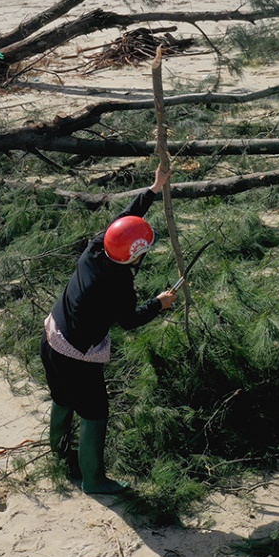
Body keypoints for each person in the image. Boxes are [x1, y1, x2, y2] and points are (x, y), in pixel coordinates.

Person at [43, 165, 178, 494]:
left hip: (51, 337)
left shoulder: (97, 247)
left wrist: (153, 189)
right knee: (94, 413)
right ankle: (94, 480)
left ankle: (58, 453)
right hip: (77, 355)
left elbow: (124, 222)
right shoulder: (117, 284)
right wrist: (159, 304)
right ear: (137, 257)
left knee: (62, 399)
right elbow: (130, 320)